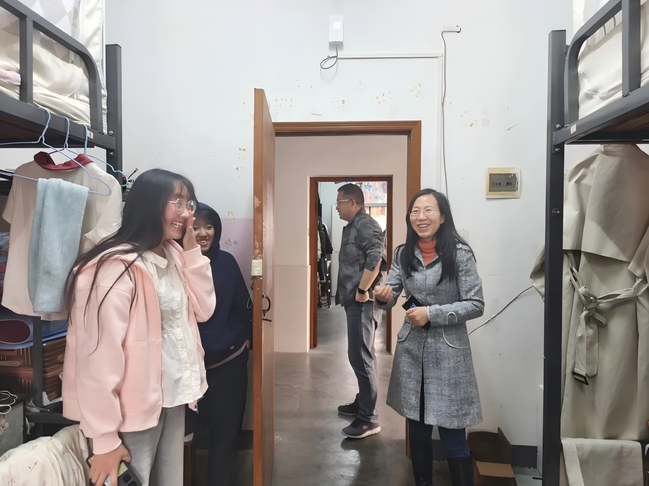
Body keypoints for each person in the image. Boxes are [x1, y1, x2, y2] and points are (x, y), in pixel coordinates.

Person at [61, 169, 216, 486]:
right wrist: (105, 438)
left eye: (190, 204)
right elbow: (97, 359)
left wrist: (191, 253)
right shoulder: (112, 267)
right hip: (128, 414)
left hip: (172, 398)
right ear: (149, 204)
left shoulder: (174, 255)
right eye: (178, 203)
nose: (187, 213)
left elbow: (204, 310)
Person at [374, 188, 484, 486]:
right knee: (418, 433)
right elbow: (391, 293)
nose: (421, 217)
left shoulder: (460, 254)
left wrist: (431, 314)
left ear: (442, 217)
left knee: (453, 437)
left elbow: (476, 304)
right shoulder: (403, 253)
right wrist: (382, 295)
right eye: (415, 211)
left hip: (449, 355)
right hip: (412, 353)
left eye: (428, 210)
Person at [186, 203, 252, 486]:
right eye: (196, 227)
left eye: (209, 226)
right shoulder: (175, 263)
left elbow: (243, 307)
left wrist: (243, 340)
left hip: (227, 363)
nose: (203, 233)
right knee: (178, 438)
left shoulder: (226, 262)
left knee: (225, 437)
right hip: (186, 368)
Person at [335, 183, 384, 439]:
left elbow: (376, 257)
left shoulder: (365, 224)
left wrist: (363, 289)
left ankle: (368, 418)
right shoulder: (353, 226)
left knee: (361, 356)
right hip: (354, 301)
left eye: (339, 202)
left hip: (362, 302)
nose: (336, 207)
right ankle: (362, 402)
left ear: (353, 203)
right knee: (358, 355)